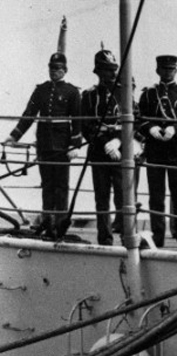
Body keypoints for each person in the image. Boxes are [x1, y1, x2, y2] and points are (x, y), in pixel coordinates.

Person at [6, 50, 83, 238]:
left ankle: (60, 225)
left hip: (62, 147)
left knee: (61, 186)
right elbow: (29, 114)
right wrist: (14, 136)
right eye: (51, 68)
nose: (54, 71)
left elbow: (77, 120)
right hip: (45, 144)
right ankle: (47, 221)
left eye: (57, 68)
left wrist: (75, 146)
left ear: (65, 70)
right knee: (47, 185)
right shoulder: (41, 90)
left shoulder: (72, 92)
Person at [137, 54, 177, 248]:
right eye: (164, 69)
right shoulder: (148, 94)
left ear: (176, 70)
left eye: (171, 69)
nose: (168, 72)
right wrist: (150, 128)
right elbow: (139, 118)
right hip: (155, 150)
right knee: (156, 195)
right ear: (158, 70)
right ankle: (158, 235)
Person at [77, 48, 126, 245]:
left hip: (120, 152)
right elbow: (86, 125)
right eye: (107, 69)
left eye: (113, 69)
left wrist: (118, 141)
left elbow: (135, 120)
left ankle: (126, 236)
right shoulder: (89, 96)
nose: (112, 73)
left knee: (123, 196)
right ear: (98, 71)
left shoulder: (124, 93)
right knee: (102, 197)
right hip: (99, 151)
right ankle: (105, 238)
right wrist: (105, 143)